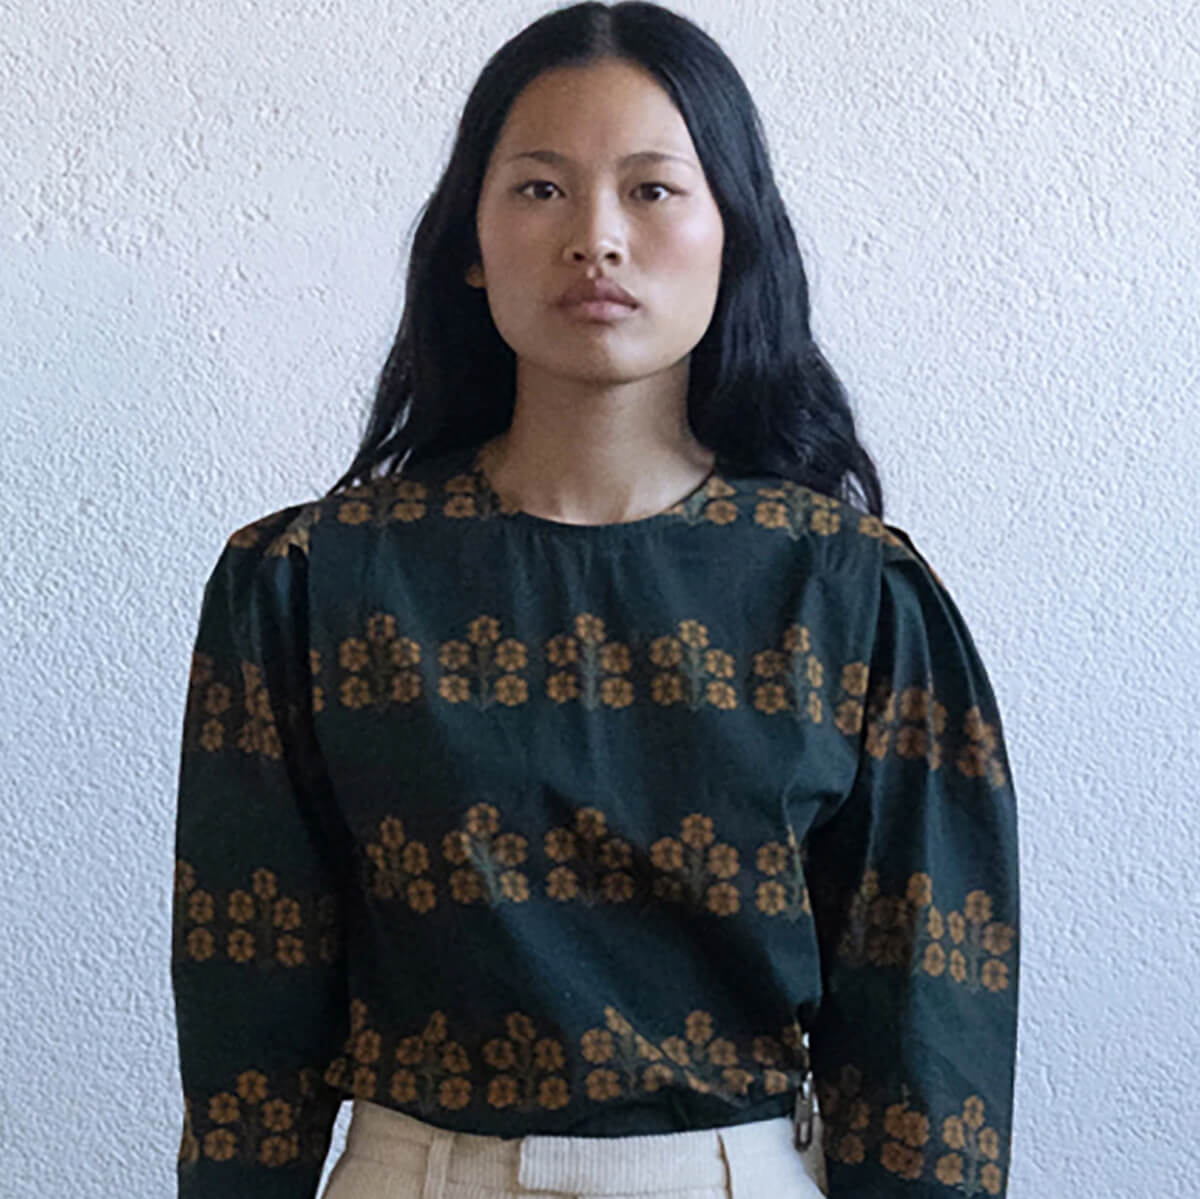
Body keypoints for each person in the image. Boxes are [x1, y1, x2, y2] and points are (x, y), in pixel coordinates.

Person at [169, 3, 1020, 1196]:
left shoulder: (852, 593)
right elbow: (245, 1021)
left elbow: (926, 1033)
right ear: (469, 241)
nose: (597, 239)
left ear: (734, 235)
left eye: (652, 189)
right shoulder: (309, 583)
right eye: (540, 189)